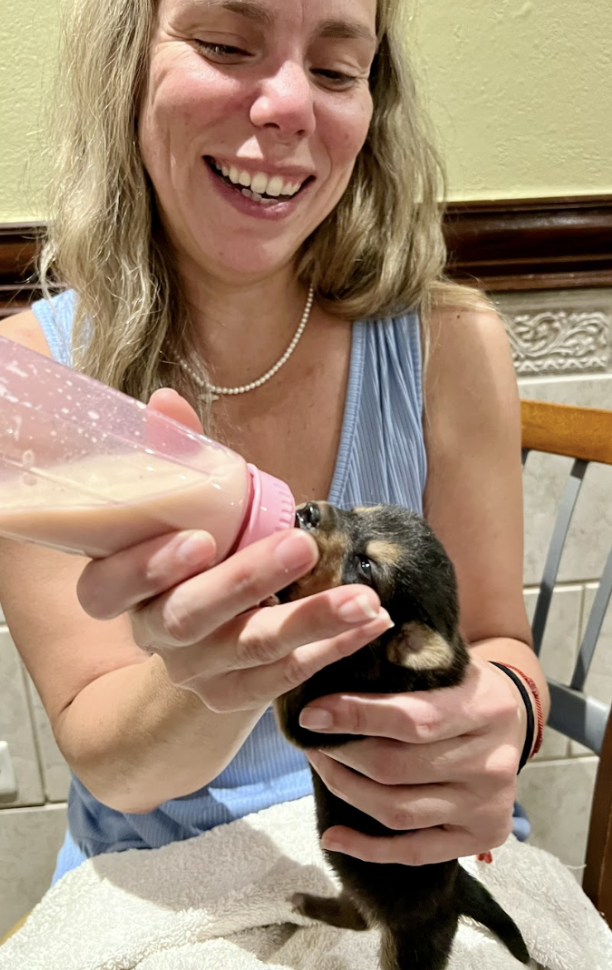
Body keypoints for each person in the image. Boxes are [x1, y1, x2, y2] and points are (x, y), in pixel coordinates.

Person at [0, 0, 548, 885]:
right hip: (166, 876)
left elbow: (497, 643)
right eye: (224, 45)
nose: (290, 106)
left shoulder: (449, 342)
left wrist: (504, 719)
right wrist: (227, 666)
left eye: (337, 71)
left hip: (415, 861)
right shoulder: (32, 383)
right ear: (126, 70)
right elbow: (118, 767)